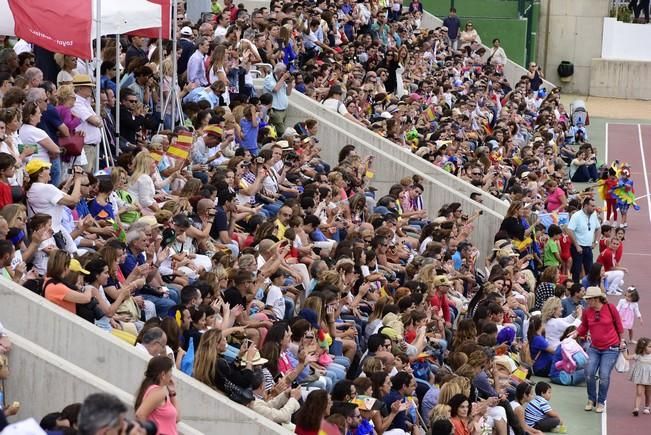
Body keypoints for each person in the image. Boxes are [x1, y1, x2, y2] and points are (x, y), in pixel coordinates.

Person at [573, 286, 626, 413]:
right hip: (594, 348)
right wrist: (576, 332)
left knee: (604, 375)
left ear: (597, 299)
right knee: (589, 373)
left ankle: (601, 401)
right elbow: (584, 326)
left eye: (589, 299)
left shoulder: (610, 308)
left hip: (611, 348)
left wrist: (622, 341)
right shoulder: (587, 311)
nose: (588, 301)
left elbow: (619, 325)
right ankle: (591, 399)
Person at [134, 356, 180, 435]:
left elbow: (177, 418)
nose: (171, 375)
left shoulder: (159, 391)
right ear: (163, 374)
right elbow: (140, 415)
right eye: (170, 371)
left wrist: (172, 393)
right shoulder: (159, 392)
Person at [566, 197, 600, 282]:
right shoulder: (576, 216)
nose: (594, 208)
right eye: (592, 206)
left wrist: (595, 242)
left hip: (588, 247)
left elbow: (598, 228)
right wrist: (577, 245)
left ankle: (589, 288)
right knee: (576, 270)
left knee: (590, 270)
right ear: (585, 206)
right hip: (578, 248)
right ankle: (576, 289)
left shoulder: (594, 214)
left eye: (594, 206)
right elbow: (570, 230)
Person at [625, 337, 651, 416]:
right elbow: (627, 357)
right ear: (643, 347)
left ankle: (647, 407)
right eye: (649, 346)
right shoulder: (638, 355)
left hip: (649, 378)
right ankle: (636, 408)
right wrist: (623, 350)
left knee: (648, 393)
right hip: (640, 378)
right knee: (639, 393)